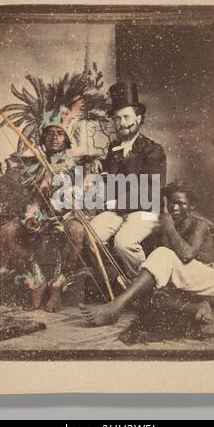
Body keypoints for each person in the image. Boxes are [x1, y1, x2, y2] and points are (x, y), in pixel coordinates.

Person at [0, 73, 109, 312]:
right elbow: (27, 200)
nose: (54, 138)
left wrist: (74, 195)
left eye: (60, 133)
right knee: (8, 230)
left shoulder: (82, 165)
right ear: (43, 137)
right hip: (41, 219)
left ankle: (58, 286)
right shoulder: (32, 163)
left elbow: (91, 201)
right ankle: (37, 281)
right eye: (49, 133)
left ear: (67, 138)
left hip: (68, 217)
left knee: (77, 230)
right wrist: (31, 214)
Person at [80, 181, 214, 327]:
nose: (174, 208)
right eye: (171, 203)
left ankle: (115, 307)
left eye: (181, 203)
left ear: (192, 206)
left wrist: (169, 228)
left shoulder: (199, 224)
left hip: (210, 281)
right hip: (186, 285)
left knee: (162, 254)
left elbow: (186, 255)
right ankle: (197, 307)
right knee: (147, 293)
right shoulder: (169, 221)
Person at [90, 82, 167, 279]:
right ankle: (117, 279)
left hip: (146, 211)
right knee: (91, 233)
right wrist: (98, 162)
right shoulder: (114, 149)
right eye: (117, 118)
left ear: (138, 118)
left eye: (126, 117)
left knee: (124, 242)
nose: (122, 123)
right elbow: (111, 172)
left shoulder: (153, 150)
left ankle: (141, 286)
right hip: (119, 211)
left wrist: (115, 203)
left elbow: (151, 192)